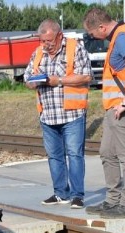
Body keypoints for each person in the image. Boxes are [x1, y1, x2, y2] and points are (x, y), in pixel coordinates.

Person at [83, 7, 125, 219]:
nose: (93, 37)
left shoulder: (123, 38)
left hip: (123, 109)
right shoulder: (118, 37)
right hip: (113, 109)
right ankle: (112, 201)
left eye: (93, 33)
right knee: (107, 153)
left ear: (102, 27)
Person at [25, 19, 92, 209]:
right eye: (43, 41)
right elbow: (27, 77)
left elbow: (86, 75)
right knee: (54, 156)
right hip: (47, 114)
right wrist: (32, 82)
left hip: (72, 113)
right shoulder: (38, 52)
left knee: (74, 154)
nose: (46, 45)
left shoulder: (75, 49)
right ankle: (60, 193)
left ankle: (77, 195)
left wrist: (58, 80)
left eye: (49, 41)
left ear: (59, 36)